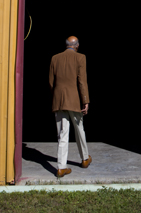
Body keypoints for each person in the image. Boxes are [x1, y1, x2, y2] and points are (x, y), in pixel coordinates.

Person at [49, 36, 92, 177]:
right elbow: (82, 81)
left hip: (59, 101)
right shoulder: (80, 58)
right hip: (74, 101)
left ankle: (61, 167)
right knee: (79, 129)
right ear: (77, 45)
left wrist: (57, 95)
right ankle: (85, 159)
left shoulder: (55, 58)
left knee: (62, 133)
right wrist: (85, 100)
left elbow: (51, 82)